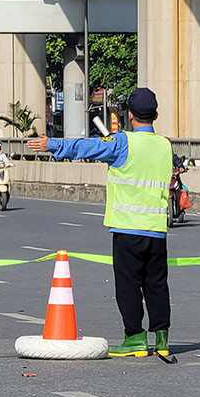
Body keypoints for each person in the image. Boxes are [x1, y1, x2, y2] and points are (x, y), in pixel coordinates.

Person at [26, 87, 173, 358]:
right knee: (156, 284)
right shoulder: (165, 144)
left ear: (130, 116)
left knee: (128, 285)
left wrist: (53, 145)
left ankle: (136, 339)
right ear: (156, 115)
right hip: (157, 230)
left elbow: (88, 147)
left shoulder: (122, 142)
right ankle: (162, 339)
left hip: (128, 228)